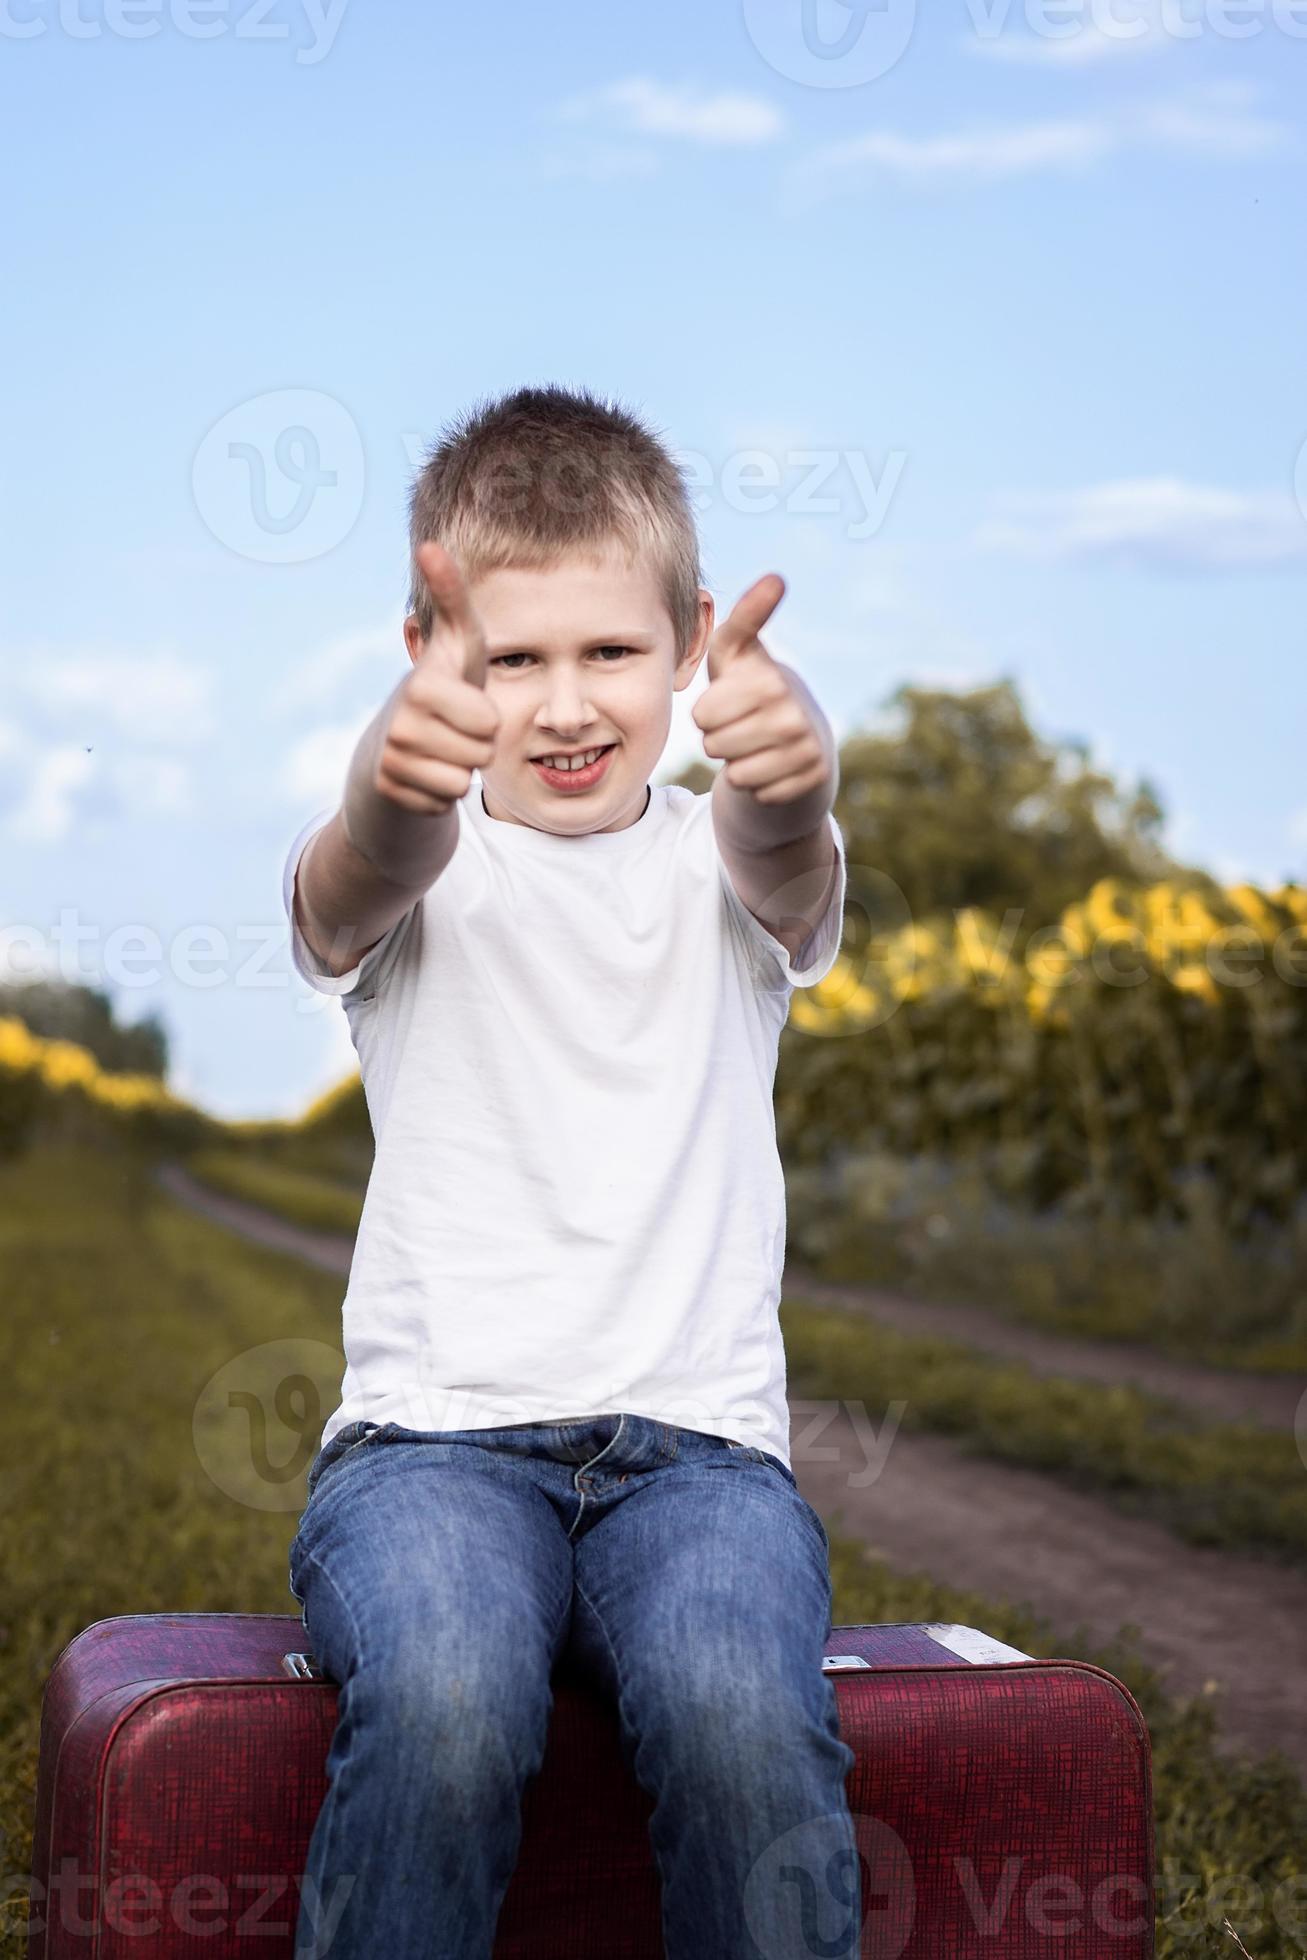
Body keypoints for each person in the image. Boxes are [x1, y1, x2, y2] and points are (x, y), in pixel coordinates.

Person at [281, 383, 860, 1959]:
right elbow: (361, 867)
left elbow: (786, 850)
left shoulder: (719, 870)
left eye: (611, 652)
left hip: (703, 1462)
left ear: (686, 647)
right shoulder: (418, 867)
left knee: (746, 1718)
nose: (562, 704)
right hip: (430, 1452)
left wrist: (791, 770)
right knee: (454, 1699)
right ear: (428, 661)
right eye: (510, 660)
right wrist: (389, 784)